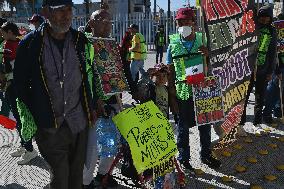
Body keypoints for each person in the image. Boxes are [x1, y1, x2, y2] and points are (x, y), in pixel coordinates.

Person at [13, 0, 95, 188]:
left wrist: (91, 106)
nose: (66, 15)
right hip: (50, 127)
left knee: (76, 178)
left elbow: (89, 76)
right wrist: (37, 113)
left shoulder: (80, 41)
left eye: (69, 10)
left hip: (78, 124)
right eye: (60, 11)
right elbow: (20, 84)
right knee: (60, 177)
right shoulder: (30, 44)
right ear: (46, 12)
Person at [166, 7, 221, 171]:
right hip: (183, 92)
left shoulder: (203, 40)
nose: (182, 24)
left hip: (202, 91)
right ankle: (183, 158)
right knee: (182, 128)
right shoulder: (173, 44)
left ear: (193, 23)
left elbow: (214, 65)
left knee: (205, 126)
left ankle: (206, 154)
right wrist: (172, 96)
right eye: (179, 22)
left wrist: (207, 54)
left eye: (186, 21)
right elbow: (170, 71)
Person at [83, 9, 120, 189]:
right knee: (91, 148)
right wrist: (95, 101)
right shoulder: (83, 45)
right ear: (91, 23)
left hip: (113, 101)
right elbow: (84, 77)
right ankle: (86, 182)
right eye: (101, 19)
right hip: (92, 105)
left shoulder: (113, 45)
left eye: (109, 20)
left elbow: (122, 72)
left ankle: (103, 174)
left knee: (111, 143)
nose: (106, 23)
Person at [0, 21, 38, 165]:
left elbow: (10, 68)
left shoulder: (12, 46)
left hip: (14, 86)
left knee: (19, 116)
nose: (2, 35)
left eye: (3, 32)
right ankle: (24, 144)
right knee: (17, 117)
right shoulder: (18, 43)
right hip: (16, 85)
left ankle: (30, 150)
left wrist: (5, 79)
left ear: (10, 32)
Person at [239, 4, 277, 131]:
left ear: (271, 18)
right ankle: (241, 122)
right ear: (258, 17)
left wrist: (270, 71)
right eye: (262, 17)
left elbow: (273, 52)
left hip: (263, 68)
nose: (265, 20)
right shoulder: (251, 28)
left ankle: (257, 121)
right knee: (245, 95)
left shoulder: (272, 31)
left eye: (267, 18)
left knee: (260, 96)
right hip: (248, 68)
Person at [262, 13, 284, 122]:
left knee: (276, 88)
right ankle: (267, 113)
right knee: (274, 88)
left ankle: (277, 111)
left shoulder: (275, 25)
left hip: (277, 60)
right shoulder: (275, 26)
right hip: (278, 61)